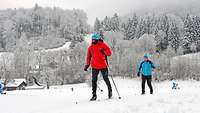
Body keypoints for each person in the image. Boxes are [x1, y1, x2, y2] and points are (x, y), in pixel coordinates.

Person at [84, 33, 112, 101]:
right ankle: (94, 95)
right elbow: (88, 57)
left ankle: (110, 90)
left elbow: (109, 53)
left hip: (103, 65)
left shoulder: (103, 45)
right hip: (94, 66)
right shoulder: (90, 47)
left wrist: (103, 51)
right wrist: (87, 65)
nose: (93, 41)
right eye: (92, 40)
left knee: (106, 79)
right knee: (94, 81)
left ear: (97, 39)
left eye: (94, 40)